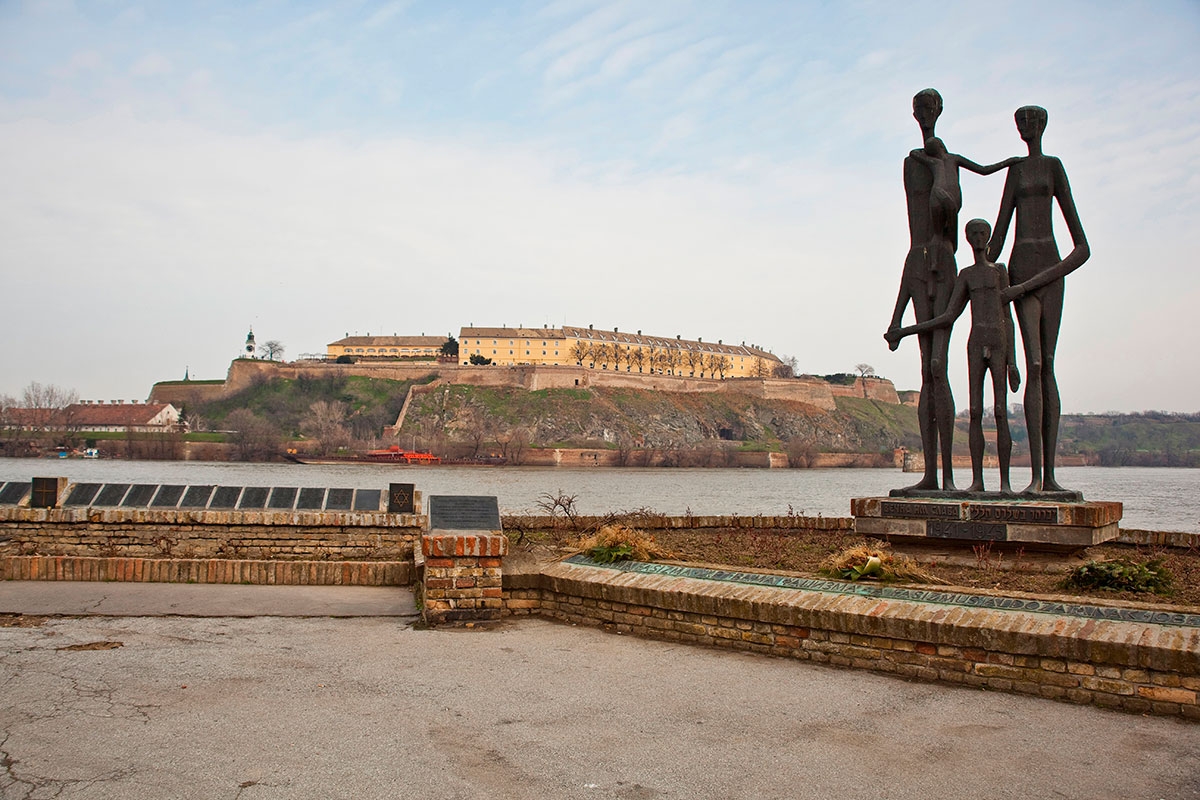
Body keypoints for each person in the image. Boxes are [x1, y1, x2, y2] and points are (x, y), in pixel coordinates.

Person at [988, 105, 1089, 494]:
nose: (1026, 127)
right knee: (1033, 362)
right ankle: (1034, 477)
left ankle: (1049, 477)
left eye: (1031, 121)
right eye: (1020, 122)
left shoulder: (1052, 167)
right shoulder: (1014, 171)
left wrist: (1037, 281)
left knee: (1048, 364)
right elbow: (998, 236)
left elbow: (1081, 248)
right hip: (1020, 267)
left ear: (1043, 125)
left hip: (1047, 270)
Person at [886, 219, 1021, 494]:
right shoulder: (966, 275)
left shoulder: (999, 272)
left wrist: (1013, 362)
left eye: (983, 233)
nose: (979, 238)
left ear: (989, 236)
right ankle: (978, 482)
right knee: (973, 412)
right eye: (974, 234)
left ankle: (1005, 484)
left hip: (999, 343)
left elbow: (1009, 318)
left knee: (999, 412)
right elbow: (948, 317)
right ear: (968, 239)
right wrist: (905, 330)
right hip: (975, 344)